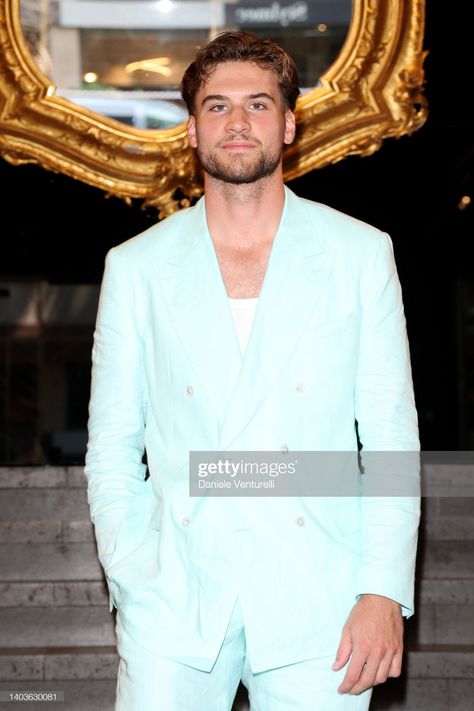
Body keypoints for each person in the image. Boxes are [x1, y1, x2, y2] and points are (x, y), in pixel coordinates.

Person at [84, 31, 420, 711]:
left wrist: (383, 588)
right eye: (217, 106)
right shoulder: (137, 267)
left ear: (289, 124)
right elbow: (112, 447)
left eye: (258, 104)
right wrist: (131, 572)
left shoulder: (358, 254)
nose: (237, 123)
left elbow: (388, 441)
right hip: (174, 597)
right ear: (191, 130)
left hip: (319, 594)